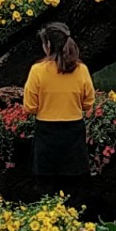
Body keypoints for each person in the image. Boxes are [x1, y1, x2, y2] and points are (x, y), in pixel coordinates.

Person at [23, 22, 95, 182]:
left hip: (46, 134)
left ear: (48, 44)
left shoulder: (37, 71)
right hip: (74, 133)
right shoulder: (81, 69)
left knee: (46, 185)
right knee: (75, 186)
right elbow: (88, 103)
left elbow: (30, 107)